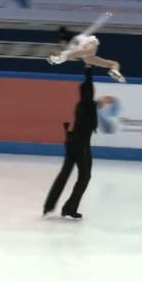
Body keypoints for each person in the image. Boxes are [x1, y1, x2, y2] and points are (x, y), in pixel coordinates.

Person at [43, 65, 99, 220]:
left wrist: (88, 70)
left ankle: (49, 205)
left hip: (71, 141)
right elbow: (88, 85)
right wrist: (88, 67)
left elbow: (88, 87)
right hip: (81, 145)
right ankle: (69, 207)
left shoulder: (81, 105)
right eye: (91, 91)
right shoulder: (88, 104)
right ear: (88, 92)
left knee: (65, 174)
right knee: (85, 176)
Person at [48, 11, 126, 83]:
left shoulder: (77, 40)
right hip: (87, 55)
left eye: (61, 42)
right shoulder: (72, 46)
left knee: (113, 63)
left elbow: (94, 26)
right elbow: (94, 26)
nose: (61, 44)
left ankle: (114, 71)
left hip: (87, 48)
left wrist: (106, 15)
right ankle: (113, 70)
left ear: (64, 40)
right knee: (112, 63)